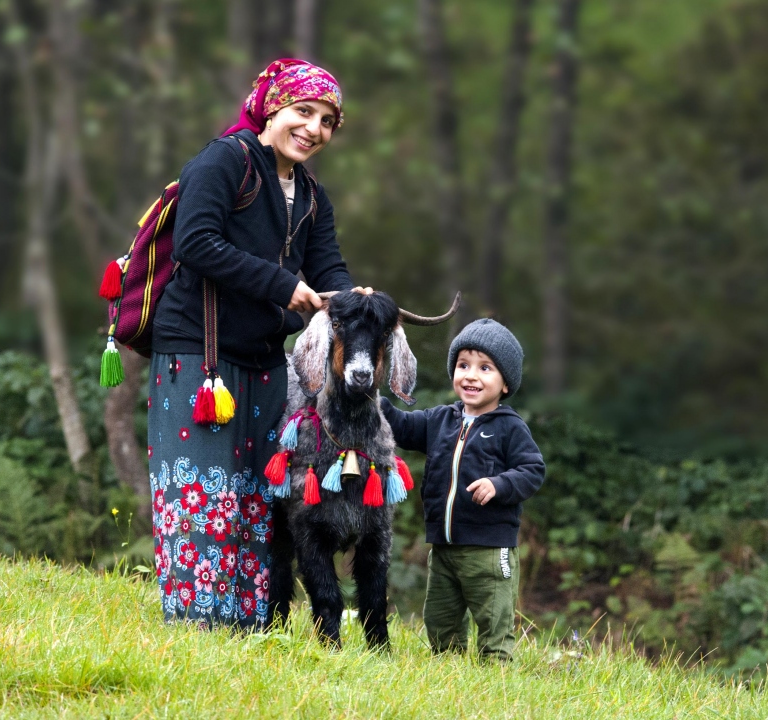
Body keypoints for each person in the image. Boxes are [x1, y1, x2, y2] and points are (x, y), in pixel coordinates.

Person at [148, 58, 367, 629]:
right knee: (202, 489)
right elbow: (196, 243)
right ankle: (197, 628)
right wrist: (285, 286)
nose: (313, 129)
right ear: (272, 106)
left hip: (267, 359)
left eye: (326, 121)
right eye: (303, 111)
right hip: (200, 351)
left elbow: (329, 268)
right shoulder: (224, 161)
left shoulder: (314, 195)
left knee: (255, 496)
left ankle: (248, 628)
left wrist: (349, 298)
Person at [380, 319, 546, 660]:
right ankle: (448, 667)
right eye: (463, 365)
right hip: (444, 546)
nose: (471, 375)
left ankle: (496, 673)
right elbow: (400, 426)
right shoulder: (440, 419)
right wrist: (372, 400)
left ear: (505, 384)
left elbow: (533, 470)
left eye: (485, 368)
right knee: (440, 618)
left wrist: (500, 484)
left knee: (493, 619)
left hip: (489, 547)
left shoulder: (510, 428)